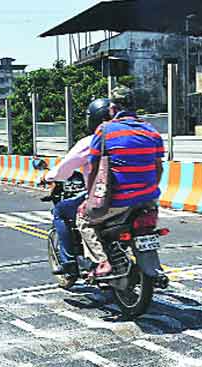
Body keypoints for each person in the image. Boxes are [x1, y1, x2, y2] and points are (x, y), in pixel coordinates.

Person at [78, 87, 165, 277]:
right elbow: (159, 168)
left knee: (83, 219)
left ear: (112, 109)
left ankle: (102, 261)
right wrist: (149, 190)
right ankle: (153, 267)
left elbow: (93, 169)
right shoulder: (152, 131)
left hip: (118, 202)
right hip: (148, 200)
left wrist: (89, 198)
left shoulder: (105, 130)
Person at [42, 98, 113, 275]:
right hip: (136, 196)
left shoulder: (91, 141)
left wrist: (47, 177)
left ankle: (69, 263)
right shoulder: (128, 138)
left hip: (102, 197)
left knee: (60, 211)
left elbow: (64, 169)